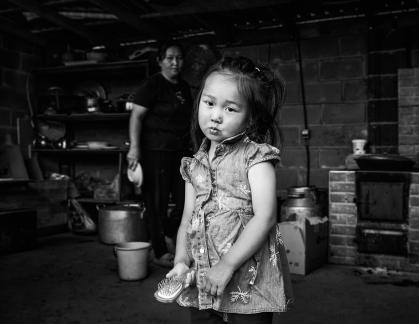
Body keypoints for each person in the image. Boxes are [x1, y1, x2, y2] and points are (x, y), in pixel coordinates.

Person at [166, 56, 293, 323]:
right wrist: (180, 260)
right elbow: (188, 218)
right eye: (209, 103)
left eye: (230, 109)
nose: (215, 116)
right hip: (202, 276)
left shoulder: (255, 158)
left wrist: (226, 265)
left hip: (247, 280)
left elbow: (265, 217)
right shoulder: (194, 164)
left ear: (251, 117)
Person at [127, 41, 193, 267]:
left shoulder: (183, 87)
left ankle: (167, 234)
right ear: (160, 61)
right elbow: (136, 117)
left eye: (179, 58)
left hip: (181, 153)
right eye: (170, 58)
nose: (175, 63)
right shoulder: (153, 85)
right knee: (157, 203)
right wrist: (134, 148)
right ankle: (159, 251)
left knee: (187, 201)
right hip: (155, 151)